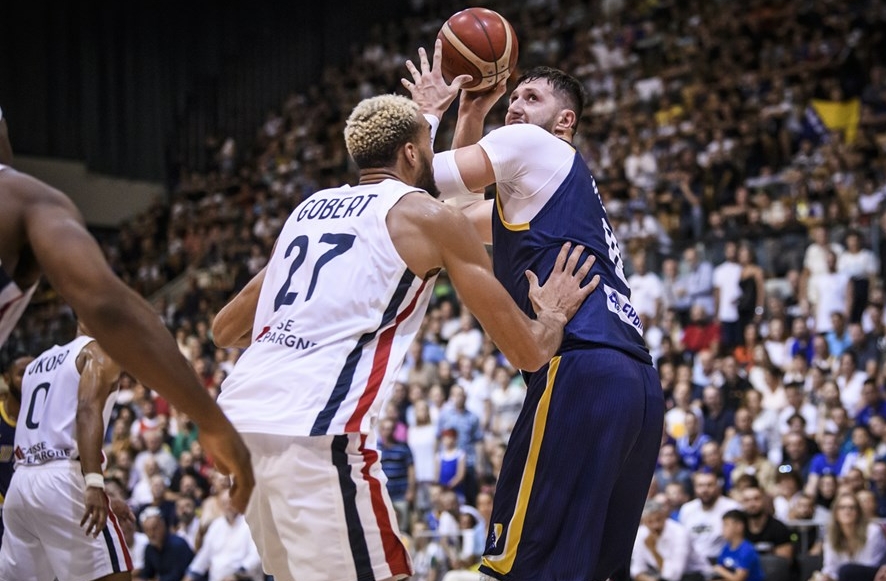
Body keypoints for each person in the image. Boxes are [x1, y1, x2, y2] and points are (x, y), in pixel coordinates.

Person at [211, 93, 599, 581]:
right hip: (314, 433)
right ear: (415, 155)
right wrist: (552, 317)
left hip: (237, 429)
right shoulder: (427, 217)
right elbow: (527, 350)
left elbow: (224, 329)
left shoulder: (307, 211)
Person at [402, 45, 664, 580]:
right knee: (592, 569)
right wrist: (473, 112)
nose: (516, 105)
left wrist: (432, 110)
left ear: (564, 120)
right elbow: (450, 218)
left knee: (521, 565)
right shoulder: (558, 189)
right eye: (513, 97)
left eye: (533, 96)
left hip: (580, 368)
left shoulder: (531, 145)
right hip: (635, 382)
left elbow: (421, 182)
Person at [0, 142, 253, 511]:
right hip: (57, 476)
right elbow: (110, 313)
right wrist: (212, 423)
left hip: (24, 478)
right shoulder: (26, 200)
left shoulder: (43, 359)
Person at [0, 325, 133, 580]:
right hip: (63, 476)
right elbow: (86, 410)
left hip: (21, 484)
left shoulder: (37, 363)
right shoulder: (96, 351)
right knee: (113, 574)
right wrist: (94, 483)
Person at [817, 493, 886, 581]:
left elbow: (869, 565)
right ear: (835, 513)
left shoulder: (873, 531)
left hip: (876, 576)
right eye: (842, 507)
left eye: (852, 507)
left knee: (847, 570)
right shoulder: (830, 536)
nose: (847, 511)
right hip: (844, 577)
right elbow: (830, 568)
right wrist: (825, 577)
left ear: (858, 512)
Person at [0, 354, 29, 549]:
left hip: (32, 510)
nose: (29, 378)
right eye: (22, 374)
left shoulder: (48, 420)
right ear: (6, 379)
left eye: (34, 372)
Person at [138, 507, 194, 581]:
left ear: (163, 525)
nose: (151, 534)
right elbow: (146, 574)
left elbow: (177, 576)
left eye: (154, 528)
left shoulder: (178, 544)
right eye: (147, 530)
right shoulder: (149, 549)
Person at [714, 509, 764, 581]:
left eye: (726, 525)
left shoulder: (747, 550)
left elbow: (738, 579)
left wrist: (719, 570)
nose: (723, 529)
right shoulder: (726, 547)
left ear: (739, 526)